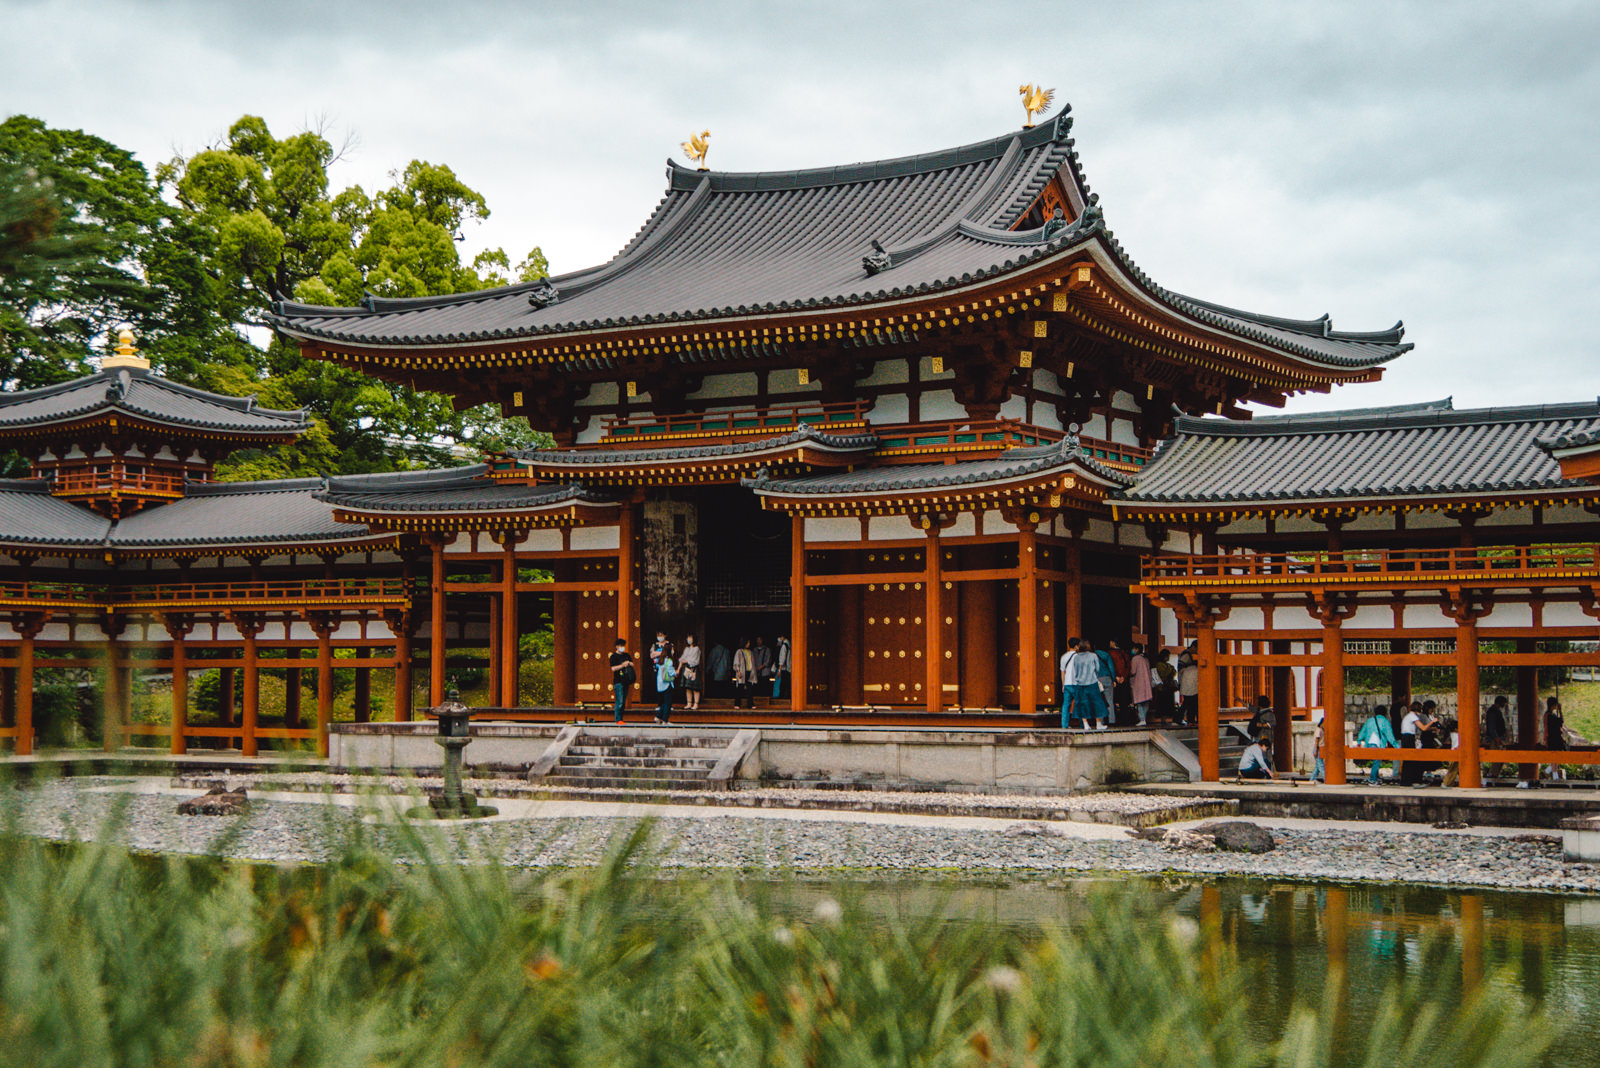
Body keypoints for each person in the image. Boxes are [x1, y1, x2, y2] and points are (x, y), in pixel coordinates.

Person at [1062, 637, 1109, 729]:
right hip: (1092, 682)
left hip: (1080, 683)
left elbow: (1075, 670)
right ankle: (1098, 723)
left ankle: (1085, 724)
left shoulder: (1076, 658)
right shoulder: (1093, 656)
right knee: (1096, 703)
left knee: (1082, 704)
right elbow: (1097, 668)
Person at [1356, 704, 1398, 784]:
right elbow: (1389, 735)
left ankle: (1376, 777)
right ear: (1385, 713)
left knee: (1376, 761)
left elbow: (1362, 732)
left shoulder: (1369, 720)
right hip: (1378, 743)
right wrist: (1396, 746)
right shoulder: (1385, 721)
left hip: (1369, 743)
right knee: (1377, 761)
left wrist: (1359, 741)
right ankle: (1372, 779)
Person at [608, 638, 635, 723]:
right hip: (618, 681)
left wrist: (629, 663)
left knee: (623, 701)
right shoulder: (613, 656)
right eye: (620, 646)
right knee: (619, 701)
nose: (622, 647)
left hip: (626, 680)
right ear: (616, 646)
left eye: (623, 646)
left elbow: (632, 664)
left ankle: (621, 718)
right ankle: (618, 719)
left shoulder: (626, 655)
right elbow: (613, 668)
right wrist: (622, 665)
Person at [1128, 643, 1154, 726]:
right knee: (1146, 702)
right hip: (1147, 683)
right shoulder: (1145, 659)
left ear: (1136, 649)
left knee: (1139, 702)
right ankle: (1144, 718)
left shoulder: (1135, 659)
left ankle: (1142, 719)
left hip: (1138, 683)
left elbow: (1133, 671)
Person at [1093, 641, 1117, 727]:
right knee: (1110, 700)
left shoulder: (1093, 656)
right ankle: (1111, 721)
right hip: (1107, 678)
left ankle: (1101, 721)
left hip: (1097, 679)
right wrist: (1114, 679)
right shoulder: (1107, 655)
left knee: (1099, 701)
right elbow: (1111, 668)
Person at [1545, 695, 1568, 782]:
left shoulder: (1549, 715)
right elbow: (1560, 722)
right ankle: (1552, 773)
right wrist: (1560, 711)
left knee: (1556, 756)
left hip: (1553, 738)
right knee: (1556, 756)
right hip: (1554, 738)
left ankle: (1550, 771)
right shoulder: (1550, 716)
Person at [678, 634, 703, 711]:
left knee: (695, 687)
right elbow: (681, 659)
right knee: (688, 687)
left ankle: (696, 703)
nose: (688, 639)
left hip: (693, 668)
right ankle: (689, 703)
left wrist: (685, 660)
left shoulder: (696, 649)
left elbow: (694, 660)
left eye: (690, 638)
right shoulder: (687, 649)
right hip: (686, 668)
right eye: (688, 638)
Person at [1176, 648, 1199, 726]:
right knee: (1191, 703)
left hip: (1188, 685)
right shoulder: (1187, 656)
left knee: (1188, 703)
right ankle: (1190, 720)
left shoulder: (1186, 669)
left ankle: (1189, 720)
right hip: (1192, 685)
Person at [653, 648, 676, 724]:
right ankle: (665, 719)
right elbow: (671, 672)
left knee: (663, 702)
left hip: (660, 684)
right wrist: (676, 672)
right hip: (667, 683)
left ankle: (658, 716)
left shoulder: (660, 660)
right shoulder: (669, 661)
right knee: (668, 703)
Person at [1154, 648, 1177, 723]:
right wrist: (1170, 669)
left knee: (1169, 704)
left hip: (1168, 687)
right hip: (1162, 687)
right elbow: (1163, 674)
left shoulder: (1167, 665)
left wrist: (1170, 669)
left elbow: (1174, 671)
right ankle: (1163, 719)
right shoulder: (1159, 664)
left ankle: (1168, 718)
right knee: (1162, 705)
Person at [732, 638, 756, 710]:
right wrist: (738, 671)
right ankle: (737, 703)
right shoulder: (739, 651)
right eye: (747, 642)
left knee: (750, 688)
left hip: (749, 671)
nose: (749, 644)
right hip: (742, 671)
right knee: (740, 687)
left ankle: (750, 704)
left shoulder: (750, 652)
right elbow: (736, 662)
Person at [753, 636, 774, 703]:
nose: (758, 641)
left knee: (764, 686)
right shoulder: (754, 650)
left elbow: (768, 660)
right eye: (757, 640)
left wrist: (761, 666)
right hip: (756, 672)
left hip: (765, 671)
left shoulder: (767, 650)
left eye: (760, 640)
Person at [773, 635, 792, 701]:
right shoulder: (789, 645)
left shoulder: (784, 646)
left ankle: (782, 697)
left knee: (783, 683)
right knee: (787, 683)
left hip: (784, 668)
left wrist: (779, 670)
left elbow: (782, 658)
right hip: (789, 667)